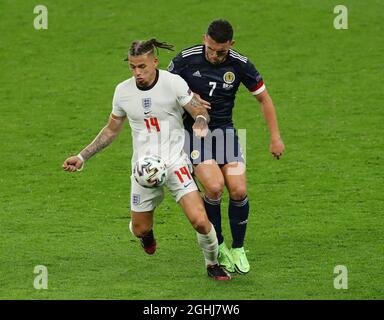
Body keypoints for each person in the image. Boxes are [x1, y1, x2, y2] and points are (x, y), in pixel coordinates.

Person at [62, 38, 231, 280]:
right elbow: (111, 130)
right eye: (132, 67)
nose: (137, 73)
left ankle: (212, 263)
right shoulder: (122, 92)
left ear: (154, 61)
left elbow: (198, 110)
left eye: (142, 66)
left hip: (174, 162)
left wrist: (201, 122)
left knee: (200, 221)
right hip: (144, 170)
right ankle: (146, 235)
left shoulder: (173, 83)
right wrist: (82, 156)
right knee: (140, 228)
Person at [169, 20, 285, 274]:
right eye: (210, 48)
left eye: (221, 51)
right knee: (213, 186)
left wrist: (275, 137)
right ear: (204, 39)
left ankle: (239, 247)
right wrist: (189, 99)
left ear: (231, 45)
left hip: (225, 133)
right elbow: (164, 92)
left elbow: (264, 99)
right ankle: (218, 244)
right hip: (194, 134)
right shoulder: (185, 60)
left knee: (239, 190)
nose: (214, 55)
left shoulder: (240, 64)